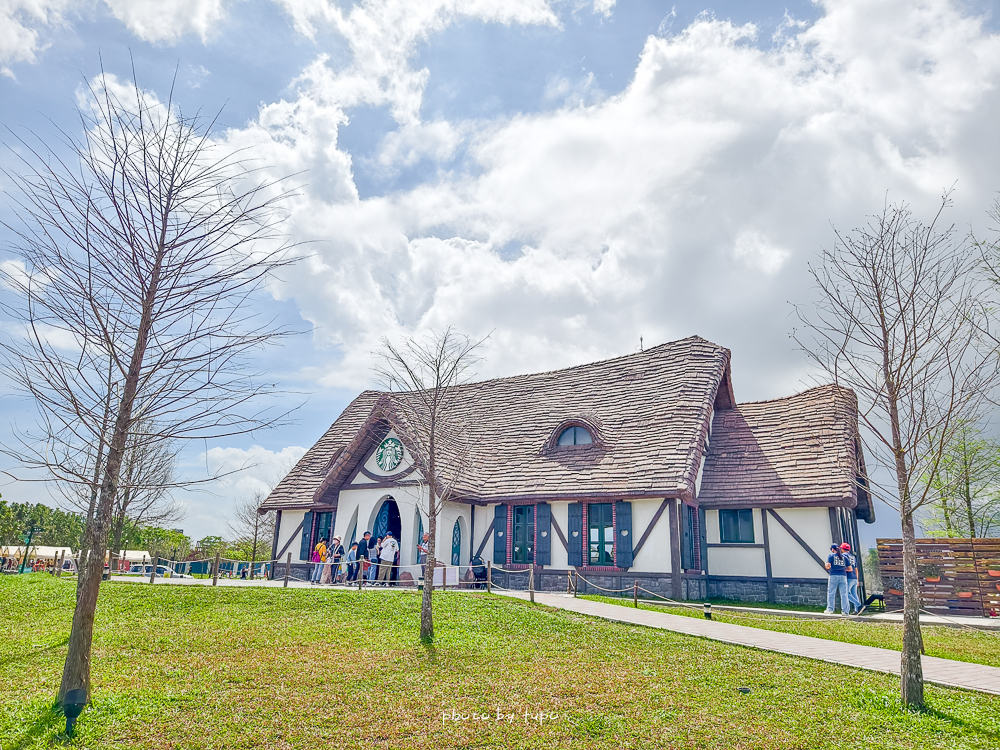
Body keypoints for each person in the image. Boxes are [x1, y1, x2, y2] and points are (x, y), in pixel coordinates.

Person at [824, 543, 851, 614]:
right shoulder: (845, 557)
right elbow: (850, 568)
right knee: (844, 594)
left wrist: (825, 564)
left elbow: (828, 566)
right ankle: (845, 611)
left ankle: (830, 609)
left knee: (831, 593)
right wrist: (842, 569)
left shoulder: (831, 556)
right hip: (843, 576)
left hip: (833, 575)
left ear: (832, 549)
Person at [842, 542, 862, 614]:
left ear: (842, 549)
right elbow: (856, 568)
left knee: (845, 593)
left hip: (848, 577)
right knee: (854, 594)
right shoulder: (853, 557)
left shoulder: (843, 556)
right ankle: (857, 610)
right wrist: (857, 579)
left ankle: (858, 605)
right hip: (854, 578)